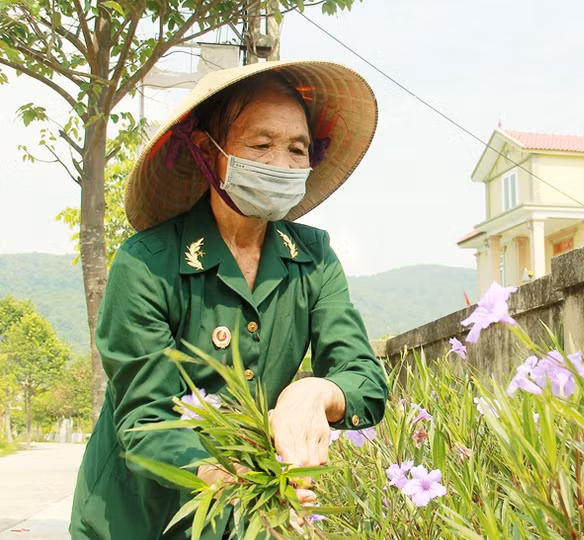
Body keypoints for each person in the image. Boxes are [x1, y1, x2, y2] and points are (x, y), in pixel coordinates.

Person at [69, 60, 388, 539]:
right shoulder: (146, 264)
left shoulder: (314, 258)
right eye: (261, 145)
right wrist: (227, 480)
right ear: (207, 150)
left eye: (297, 148)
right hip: (138, 518)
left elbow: (363, 379)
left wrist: (315, 393)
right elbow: (145, 418)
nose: (282, 164)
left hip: (244, 518)